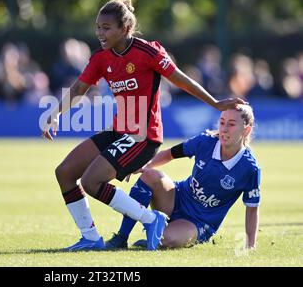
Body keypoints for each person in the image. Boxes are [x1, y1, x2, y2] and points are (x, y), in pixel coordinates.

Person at [41, 0, 247, 251]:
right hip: (119, 131)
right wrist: (57, 111)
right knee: (64, 172)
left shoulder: (148, 52)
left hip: (143, 136)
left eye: (106, 28)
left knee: (91, 182)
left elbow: (181, 80)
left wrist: (215, 103)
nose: (100, 33)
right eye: (98, 27)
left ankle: (151, 220)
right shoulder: (100, 58)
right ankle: (90, 238)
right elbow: (80, 88)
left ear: (124, 29)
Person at [105, 105, 260, 250]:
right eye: (222, 122)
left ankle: (155, 230)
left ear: (246, 130)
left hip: (199, 222)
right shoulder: (205, 141)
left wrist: (250, 245)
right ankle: (122, 237)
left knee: (167, 239)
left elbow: (252, 209)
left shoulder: (249, 168)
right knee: (150, 175)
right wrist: (145, 165)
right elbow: (169, 154)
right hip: (177, 197)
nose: (224, 129)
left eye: (231, 124)